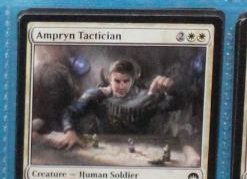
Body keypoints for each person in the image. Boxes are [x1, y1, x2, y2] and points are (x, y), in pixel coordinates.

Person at [49, 59, 188, 164]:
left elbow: (175, 105)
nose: (121, 86)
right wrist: (70, 131)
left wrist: (171, 90)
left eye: (126, 81)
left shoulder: (146, 97)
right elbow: (70, 111)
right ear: (109, 79)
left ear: (133, 81)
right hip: (104, 150)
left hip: (141, 151)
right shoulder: (97, 95)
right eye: (117, 81)